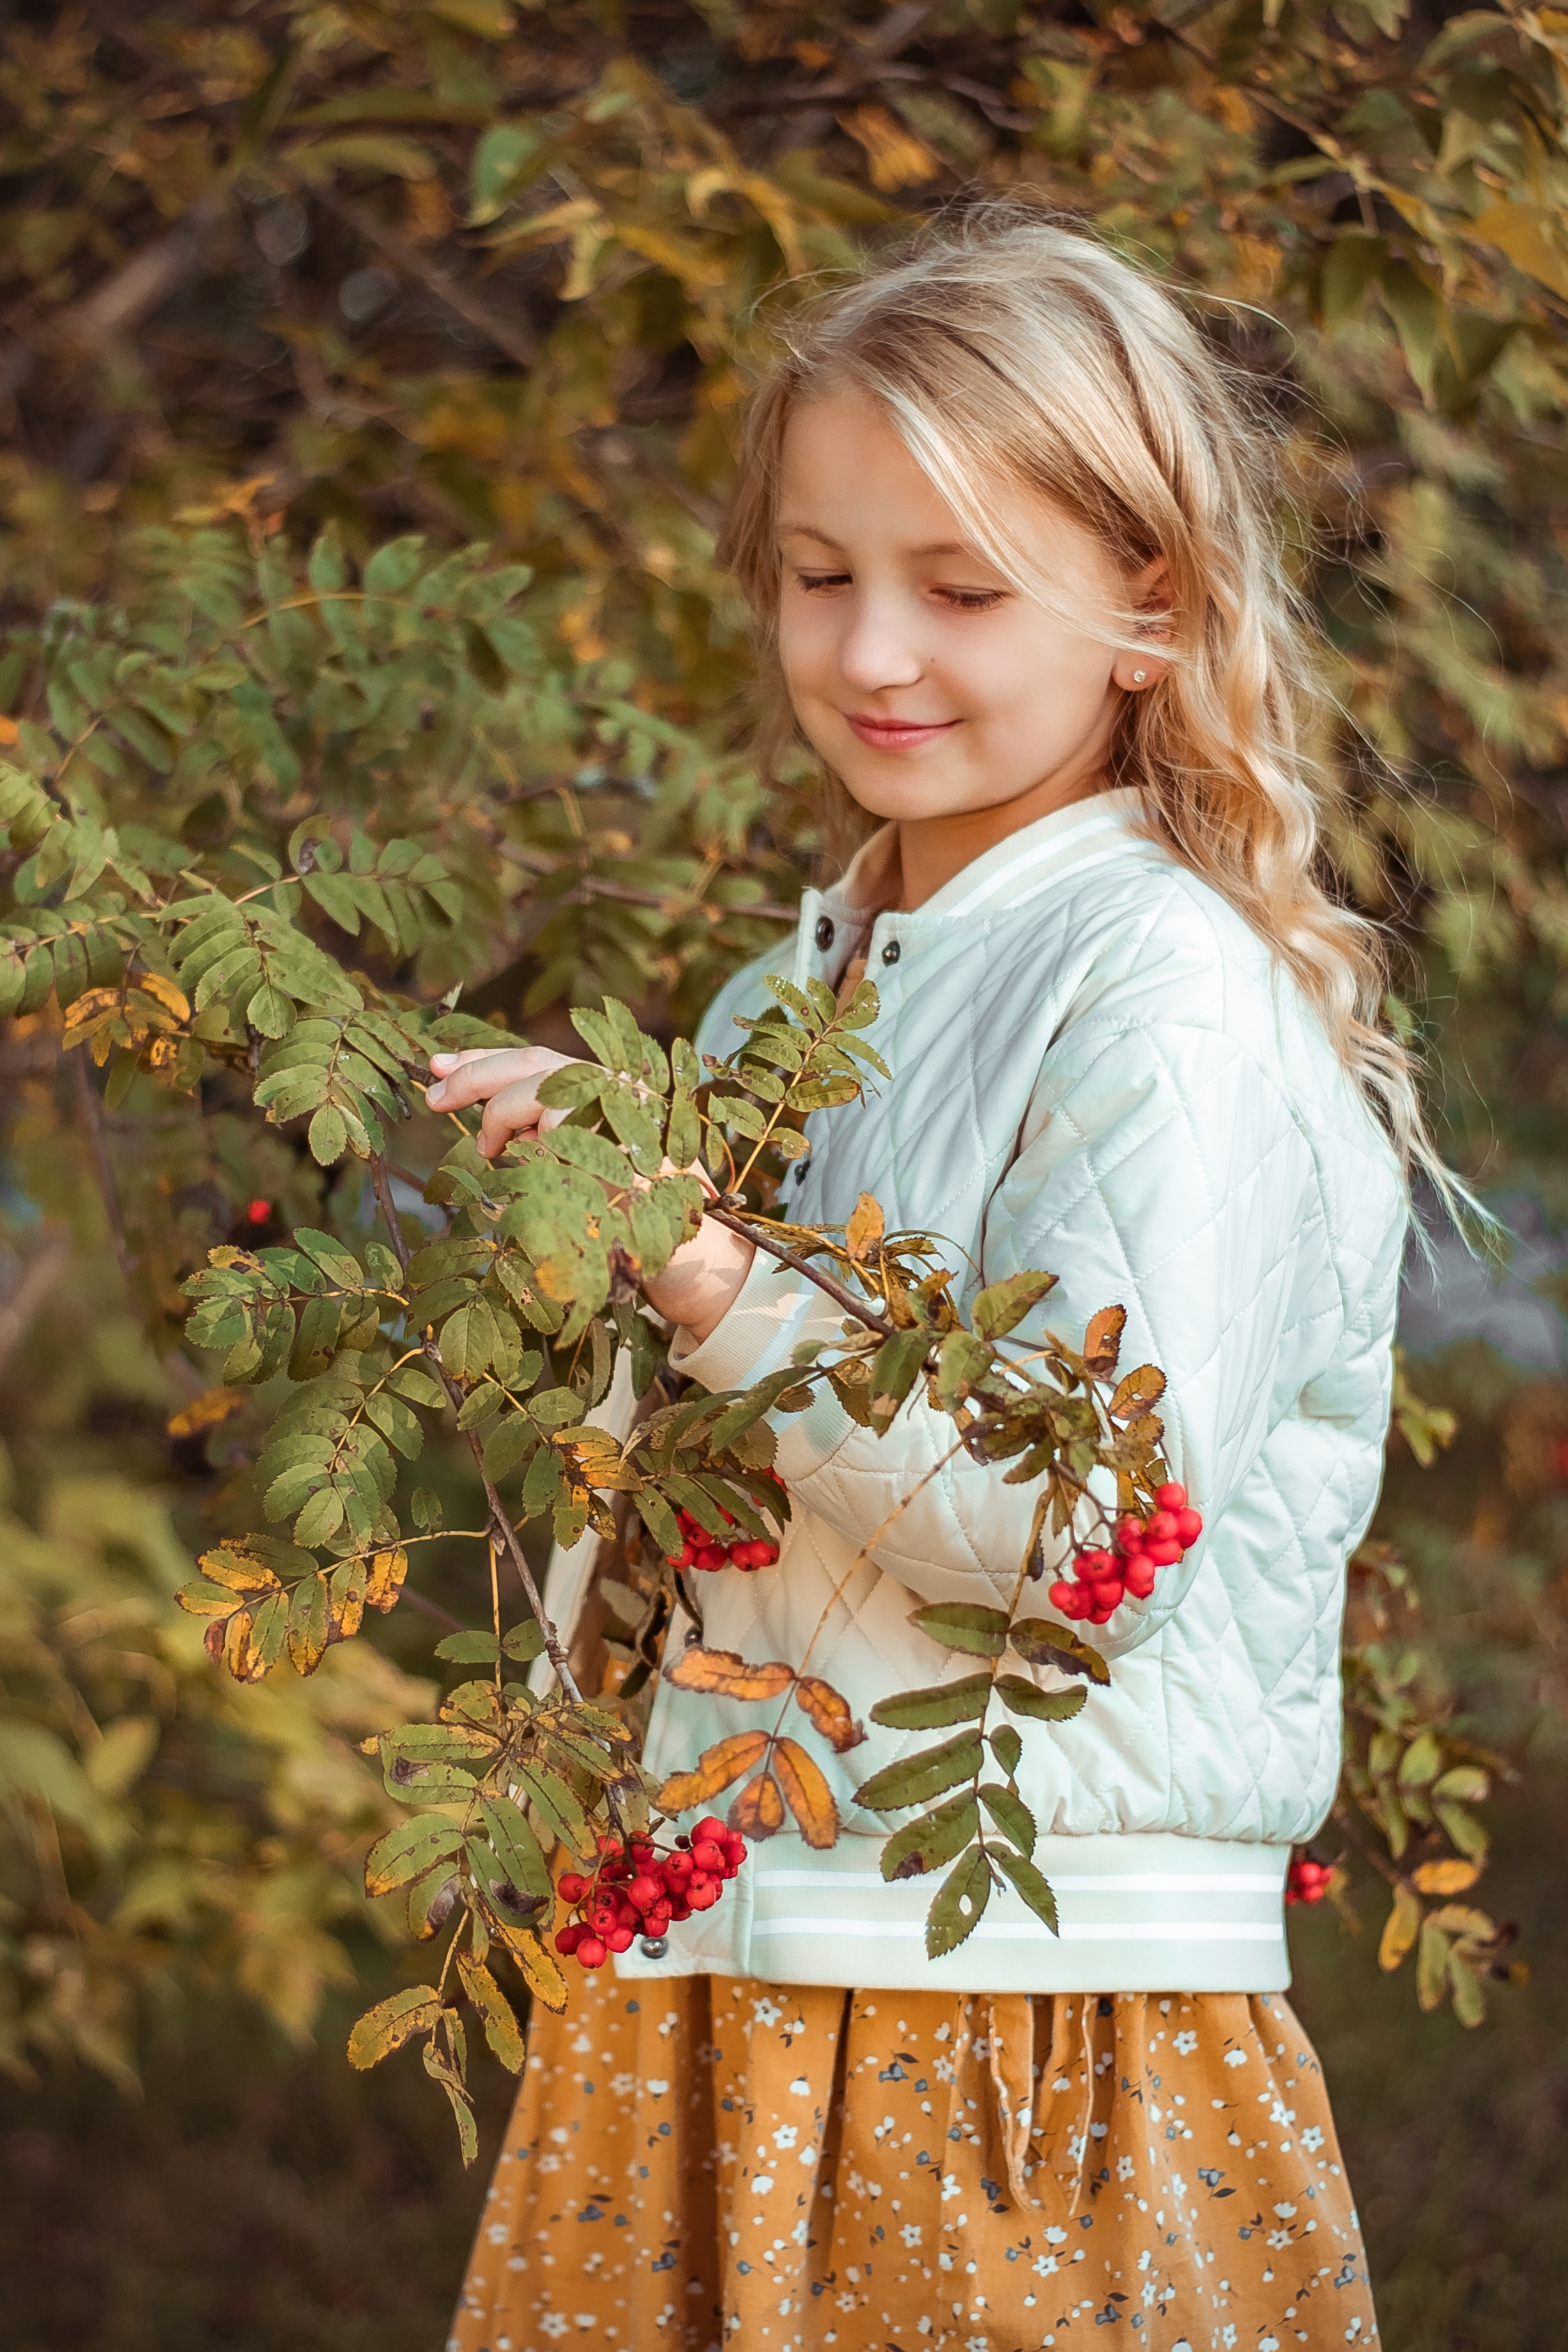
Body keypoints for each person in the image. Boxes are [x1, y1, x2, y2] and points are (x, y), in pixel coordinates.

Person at [434, 210, 1415, 2349]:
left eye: (962, 589)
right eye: (820, 572)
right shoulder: (790, 988)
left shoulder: (1160, 992)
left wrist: (699, 1273)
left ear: (1146, 603)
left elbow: (1085, 1537)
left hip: (1015, 2021)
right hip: (726, 1975)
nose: (873, 652)